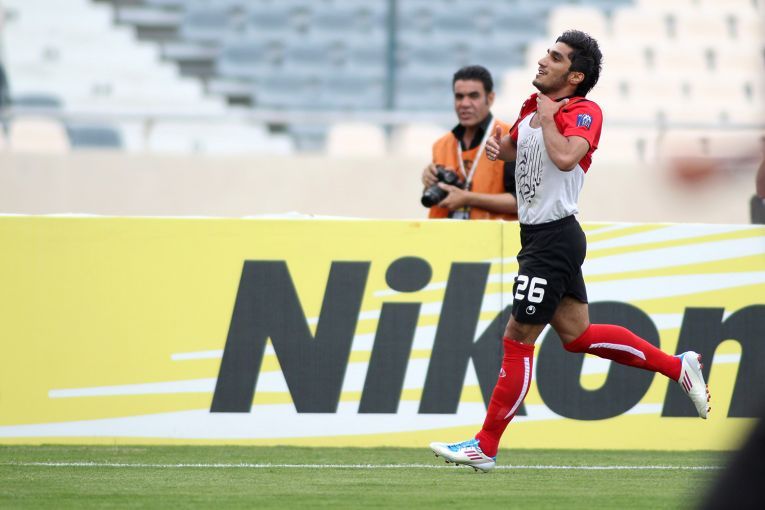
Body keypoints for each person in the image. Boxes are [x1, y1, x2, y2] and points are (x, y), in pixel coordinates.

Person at [429, 30, 711, 473]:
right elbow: (515, 149)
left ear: (575, 76)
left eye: (556, 57)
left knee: (517, 338)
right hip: (538, 237)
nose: (543, 60)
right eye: (548, 52)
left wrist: (547, 117)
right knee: (578, 336)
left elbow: (565, 158)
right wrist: (500, 148)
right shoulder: (533, 105)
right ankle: (678, 367)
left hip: (554, 238)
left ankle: (485, 445)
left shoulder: (583, 112)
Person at [421, 65, 518, 220]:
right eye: (459, 96)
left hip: (493, 234)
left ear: (490, 98)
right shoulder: (441, 144)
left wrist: (468, 198)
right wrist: (429, 181)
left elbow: (522, 201)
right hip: (446, 233)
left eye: (473, 96)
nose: (465, 103)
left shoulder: (509, 138)